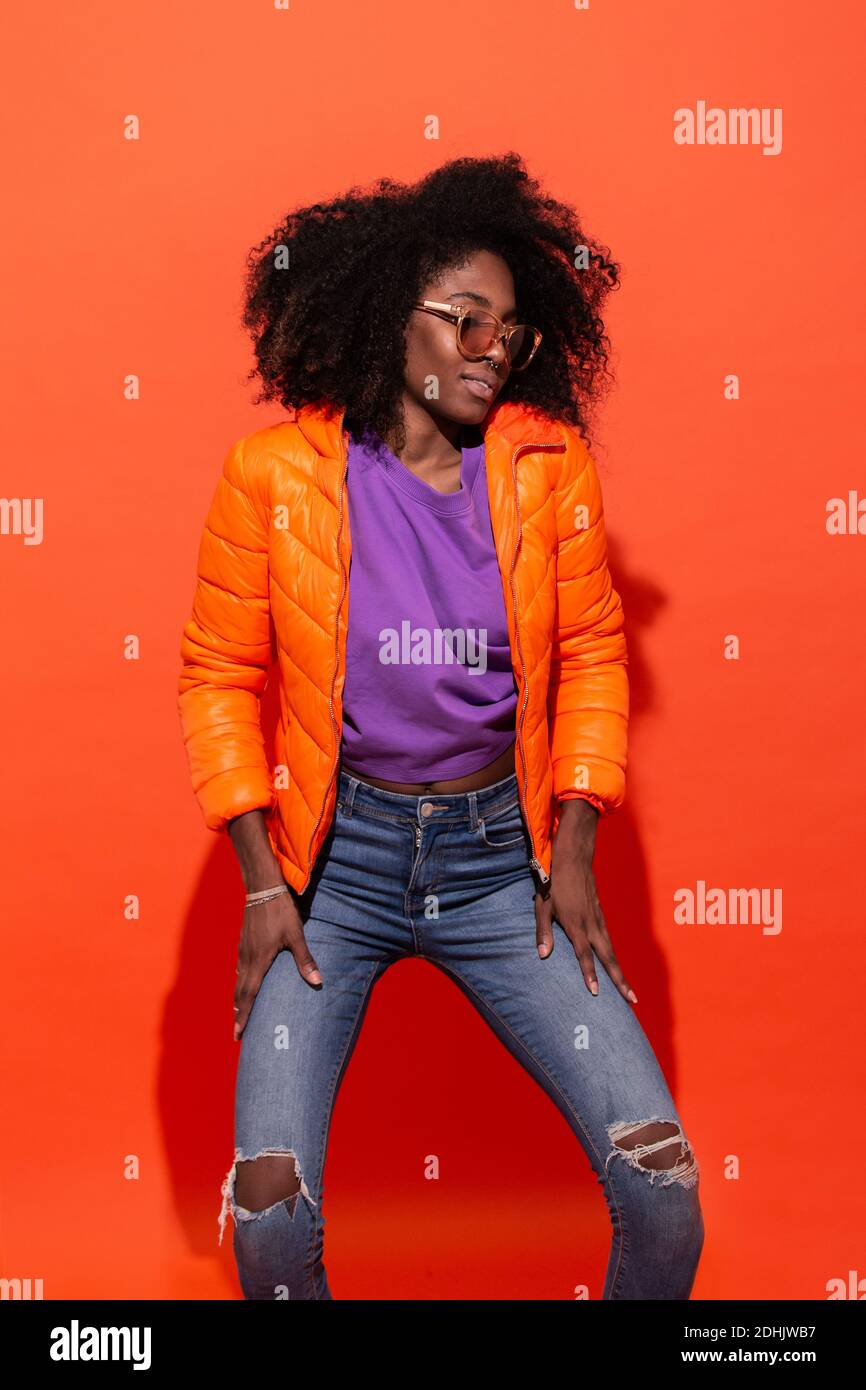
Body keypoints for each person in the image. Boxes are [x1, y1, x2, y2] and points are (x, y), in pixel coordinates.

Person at [177, 152, 705, 1300]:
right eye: (462, 320)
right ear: (390, 321)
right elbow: (218, 675)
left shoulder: (547, 471)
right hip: (336, 872)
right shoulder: (274, 478)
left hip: (494, 867)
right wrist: (264, 880)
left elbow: (591, 651)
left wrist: (571, 844)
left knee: (663, 1195)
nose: (488, 350)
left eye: (507, 332)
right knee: (268, 1221)